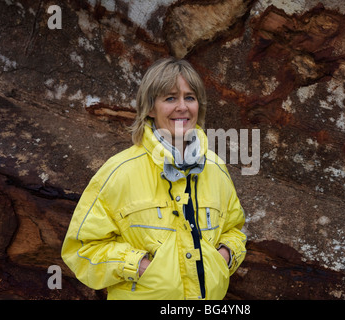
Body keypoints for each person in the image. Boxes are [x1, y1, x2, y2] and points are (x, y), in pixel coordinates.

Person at [61, 57, 247, 300]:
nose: (182, 107)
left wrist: (225, 256)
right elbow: (81, 249)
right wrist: (138, 266)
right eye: (170, 98)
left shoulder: (215, 168)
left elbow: (234, 229)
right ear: (149, 108)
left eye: (189, 97)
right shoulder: (118, 172)